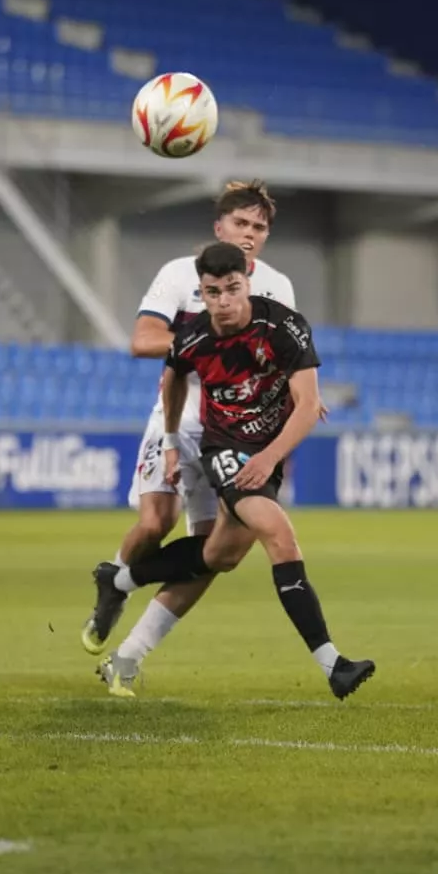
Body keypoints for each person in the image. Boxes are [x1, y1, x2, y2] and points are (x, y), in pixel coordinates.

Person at [87, 242, 373, 700]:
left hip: (266, 452)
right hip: (225, 449)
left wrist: (269, 457)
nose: (222, 301)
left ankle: (119, 580)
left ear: (247, 284)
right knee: (278, 534)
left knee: (220, 555)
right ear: (201, 291)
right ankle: (334, 665)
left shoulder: (282, 326)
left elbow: (307, 406)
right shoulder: (192, 338)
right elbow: (173, 379)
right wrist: (172, 441)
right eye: (212, 292)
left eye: (232, 289)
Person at [80, 180, 295, 671]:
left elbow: (287, 355)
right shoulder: (180, 274)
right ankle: (115, 581)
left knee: (215, 553)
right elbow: (143, 339)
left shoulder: (277, 286)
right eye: (240, 223)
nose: (249, 233)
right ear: (219, 227)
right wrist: (212, 337)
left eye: (259, 227)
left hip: (237, 428)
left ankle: (131, 655)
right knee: (156, 523)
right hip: (178, 417)